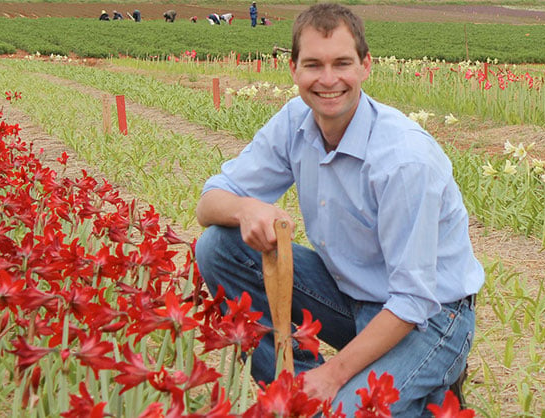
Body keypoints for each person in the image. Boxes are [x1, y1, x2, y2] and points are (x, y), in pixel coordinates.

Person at [194, 3, 483, 416]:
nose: (328, 80)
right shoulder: (295, 120)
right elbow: (210, 200)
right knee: (218, 246)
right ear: (293, 68)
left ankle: (433, 378)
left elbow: (413, 300)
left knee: (347, 410)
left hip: (430, 318)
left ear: (366, 66)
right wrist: (244, 207)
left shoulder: (403, 160)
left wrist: (334, 376)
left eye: (342, 63)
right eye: (313, 65)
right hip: (352, 296)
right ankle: (292, 387)